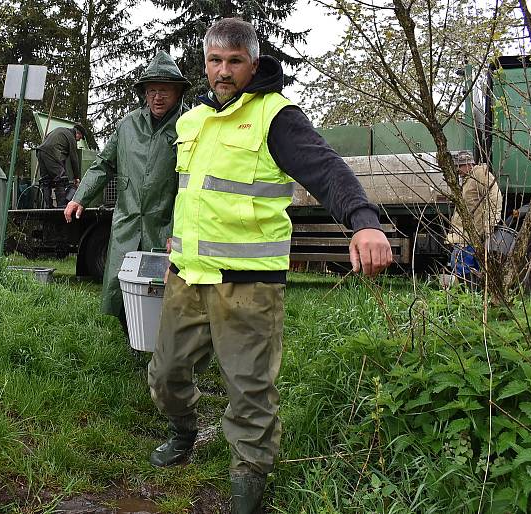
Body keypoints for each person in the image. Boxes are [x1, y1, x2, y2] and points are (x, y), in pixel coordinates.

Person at [146, 18, 393, 514]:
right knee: (166, 374)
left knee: (249, 393)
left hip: (249, 287)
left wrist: (363, 220)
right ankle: (184, 432)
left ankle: (248, 487)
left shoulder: (275, 116)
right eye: (215, 60)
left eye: (234, 61)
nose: (223, 71)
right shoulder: (191, 121)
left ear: (253, 64)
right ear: (205, 63)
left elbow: (326, 168)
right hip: (187, 277)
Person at [64, 50, 190, 329]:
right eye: (152, 90)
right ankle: (130, 339)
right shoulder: (127, 125)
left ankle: (163, 344)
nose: (158, 96)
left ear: (178, 92)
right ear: (145, 93)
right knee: (123, 283)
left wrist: (179, 232)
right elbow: (103, 164)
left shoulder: (190, 126)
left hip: (168, 223)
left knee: (167, 288)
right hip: (128, 221)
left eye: (165, 90)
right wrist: (80, 197)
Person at [444, 150, 503, 284]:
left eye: (459, 166)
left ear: (468, 164)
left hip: (471, 233)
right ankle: (472, 295)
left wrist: (489, 223)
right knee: (469, 266)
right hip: (467, 233)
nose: (457, 170)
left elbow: (495, 197)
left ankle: (466, 295)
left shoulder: (479, 175)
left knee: (460, 264)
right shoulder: (469, 178)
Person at [37, 124, 85, 208]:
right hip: (52, 152)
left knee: (46, 181)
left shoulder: (60, 130)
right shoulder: (71, 137)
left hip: (40, 152)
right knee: (61, 180)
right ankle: (62, 206)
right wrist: (76, 177)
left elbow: (62, 160)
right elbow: (74, 158)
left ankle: (48, 206)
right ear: (78, 133)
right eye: (80, 138)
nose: (78, 140)